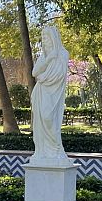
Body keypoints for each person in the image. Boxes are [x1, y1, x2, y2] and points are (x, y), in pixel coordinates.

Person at [30, 26, 70, 163]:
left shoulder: (63, 54)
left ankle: (56, 150)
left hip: (54, 91)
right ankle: (43, 152)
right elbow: (34, 73)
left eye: (46, 37)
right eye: (43, 38)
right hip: (41, 92)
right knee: (42, 120)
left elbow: (60, 74)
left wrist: (44, 77)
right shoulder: (44, 56)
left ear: (53, 38)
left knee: (49, 118)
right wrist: (48, 60)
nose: (44, 40)